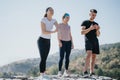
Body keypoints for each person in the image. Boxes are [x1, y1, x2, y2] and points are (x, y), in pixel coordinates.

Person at [37, 7, 58, 80]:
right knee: (42, 57)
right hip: (41, 40)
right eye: (50, 10)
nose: (52, 11)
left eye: (53, 10)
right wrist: (53, 32)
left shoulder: (54, 20)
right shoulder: (43, 20)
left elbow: (58, 27)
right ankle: (41, 74)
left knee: (45, 58)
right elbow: (43, 31)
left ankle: (44, 73)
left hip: (48, 41)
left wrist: (58, 28)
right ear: (46, 12)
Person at [81, 9, 100, 77]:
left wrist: (97, 29)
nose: (93, 16)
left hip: (95, 40)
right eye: (92, 14)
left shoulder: (96, 24)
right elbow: (82, 32)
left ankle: (92, 72)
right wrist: (90, 28)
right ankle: (85, 71)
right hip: (88, 40)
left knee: (94, 56)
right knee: (89, 54)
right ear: (89, 14)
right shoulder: (85, 22)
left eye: (94, 15)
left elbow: (98, 35)